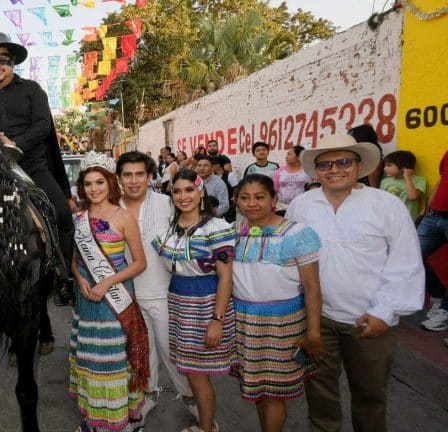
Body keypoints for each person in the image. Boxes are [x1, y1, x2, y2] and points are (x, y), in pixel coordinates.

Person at [287, 134, 424, 432]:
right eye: (325, 164)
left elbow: (406, 263)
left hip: (369, 320)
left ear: (359, 166)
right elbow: (291, 259)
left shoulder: (386, 205)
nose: (334, 169)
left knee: (371, 397)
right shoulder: (301, 205)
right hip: (317, 320)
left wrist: (384, 312)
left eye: (344, 161)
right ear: (316, 170)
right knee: (320, 395)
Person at [0, 32, 75, 304]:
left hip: (32, 167)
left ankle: (65, 276)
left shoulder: (32, 90)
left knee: (62, 214)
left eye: (2, 58)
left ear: (12, 61)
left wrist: (16, 143)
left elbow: (43, 125)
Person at [232, 174, 324, 432]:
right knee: (258, 390)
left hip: (283, 324)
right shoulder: (234, 234)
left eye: (260, 197)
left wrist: (313, 333)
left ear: (274, 199)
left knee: (274, 392)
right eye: (245, 197)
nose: (252, 203)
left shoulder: (297, 233)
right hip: (245, 322)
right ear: (236, 200)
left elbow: (312, 287)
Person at [69, 151, 149, 432]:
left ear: (110, 183)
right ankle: (95, 419)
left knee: (114, 360)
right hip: (87, 297)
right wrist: (80, 278)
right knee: (91, 357)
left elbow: (139, 263)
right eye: (88, 183)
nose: (94, 189)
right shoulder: (79, 217)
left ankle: (120, 421)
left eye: (99, 182)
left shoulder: (123, 216)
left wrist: (107, 283)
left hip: (114, 299)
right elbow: (75, 259)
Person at [152, 169, 237, 432]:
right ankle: (207, 425)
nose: (183, 196)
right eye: (176, 191)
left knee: (198, 377)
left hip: (205, 303)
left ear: (201, 192)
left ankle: (207, 427)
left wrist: (217, 320)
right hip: (179, 301)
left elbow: (226, 278)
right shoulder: (170, 227)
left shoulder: (216, 228)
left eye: (189, 189)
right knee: (191, 372)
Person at [116, 152, 194, 418]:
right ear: (119, 178)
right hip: (126, 295)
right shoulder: (112, 207)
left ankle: (192, 400)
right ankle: (149, 394)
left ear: (150, 176)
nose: (134, 181)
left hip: (164, 292)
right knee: (140, 349)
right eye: (128, 175)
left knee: (172, 351)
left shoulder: (167, 203)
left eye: (140, 174)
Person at [418, 149, 448, 332]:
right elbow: (442, 178)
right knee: (413, 253)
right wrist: (428, 206)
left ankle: (445, 311)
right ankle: (437, 295)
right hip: (434, 214)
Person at [380, 150, 426, 223]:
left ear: (403, 167)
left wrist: (407, 176)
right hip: (388, 221)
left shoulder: (419, 180)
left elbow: (412, 197)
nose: (385, 169)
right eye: (385, 165)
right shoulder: (385, 181)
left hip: (406, 222)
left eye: (389, 165)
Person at [273, 146, 311, 210]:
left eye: (289, 154)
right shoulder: (281, 170)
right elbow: (274, 190)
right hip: (281, 207)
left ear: (299, 157)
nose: (286, 157)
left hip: (302, 207)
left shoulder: (307, 170)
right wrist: (273, 206)